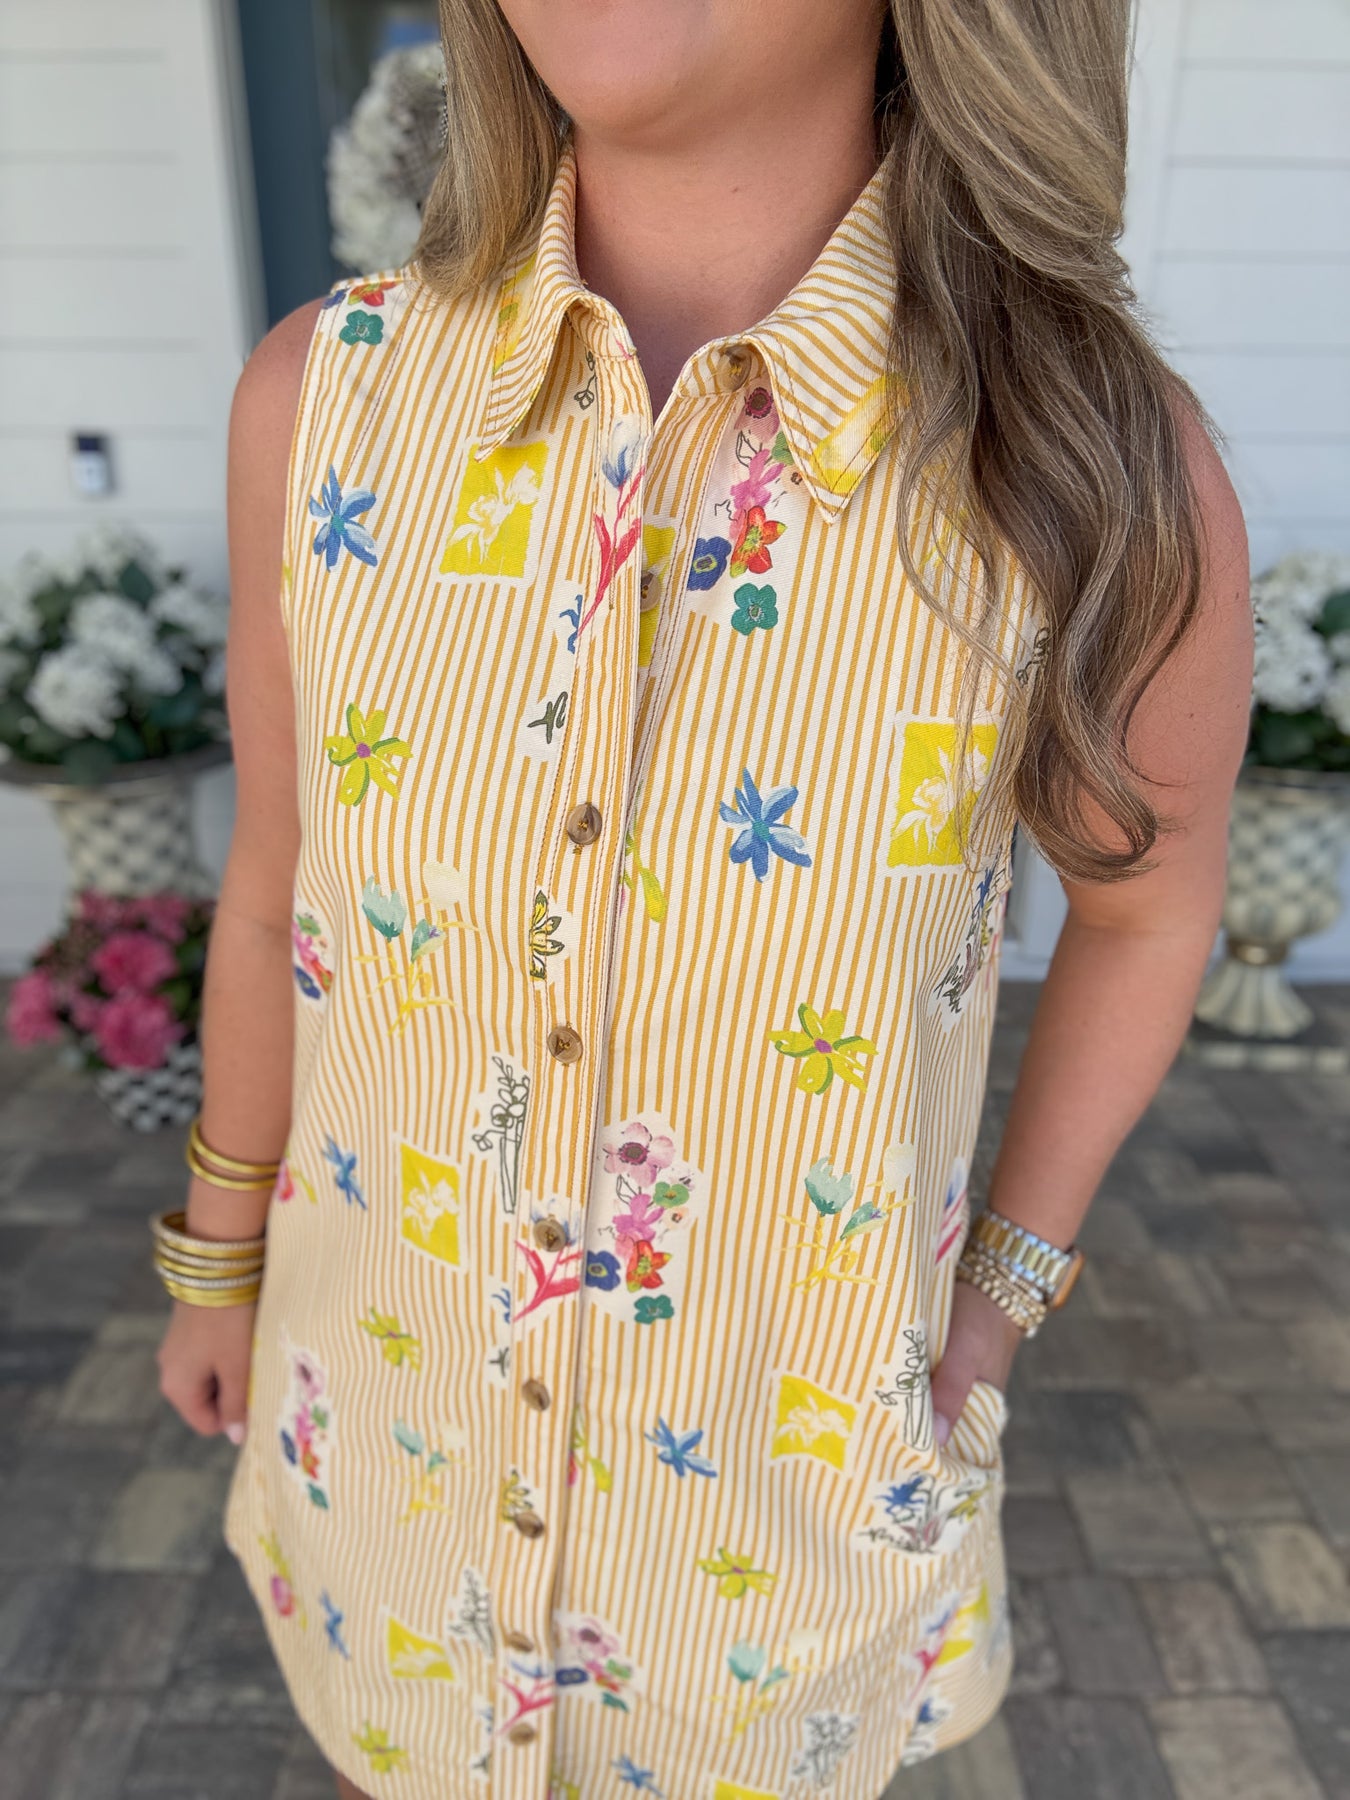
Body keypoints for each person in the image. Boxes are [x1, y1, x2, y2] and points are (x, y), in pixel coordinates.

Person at [153, 2, 1253, 1796]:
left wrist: (992, 1303)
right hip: (388, 1469)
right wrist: (218, 1264)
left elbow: (1143, 908)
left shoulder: (1079, 469)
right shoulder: (323, 406)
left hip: (772, 1551)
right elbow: (282, 889)